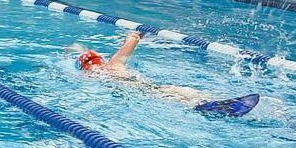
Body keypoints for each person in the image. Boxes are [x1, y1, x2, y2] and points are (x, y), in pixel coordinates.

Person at [72, 31, 258, 117]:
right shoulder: (113, 65)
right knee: (183, 93)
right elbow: (132, 41)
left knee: (176, 96)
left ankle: (214, 106)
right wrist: (134, 35)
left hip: (141, 93)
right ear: (101, 60)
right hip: (147, 88)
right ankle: (212, 104)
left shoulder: (95, 76)